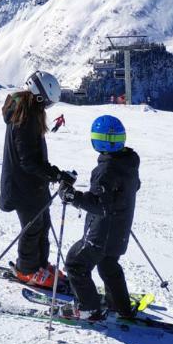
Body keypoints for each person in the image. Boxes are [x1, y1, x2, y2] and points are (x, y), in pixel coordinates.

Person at [59, 114, 140, 321]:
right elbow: (131, 187)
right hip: (119, 231)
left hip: (101, 233)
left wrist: (72, 196)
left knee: (76, 264)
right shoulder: (129, 162)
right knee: (108, 265)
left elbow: (99, 205)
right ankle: (120, 306)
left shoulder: (106, 170)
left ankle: (88, 308)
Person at [0, 70, 74, 288]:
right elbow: (28, 161)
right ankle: (26, 270)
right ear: (38, 96)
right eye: (47, 103)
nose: (47, 109)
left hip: (33, 185)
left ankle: (40, 264)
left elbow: (33, 158)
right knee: (32, 228)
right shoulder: (23, 118)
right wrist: (55, 174)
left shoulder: (29, 113)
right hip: (22, 187)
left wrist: (55, 174)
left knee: (43, 225)